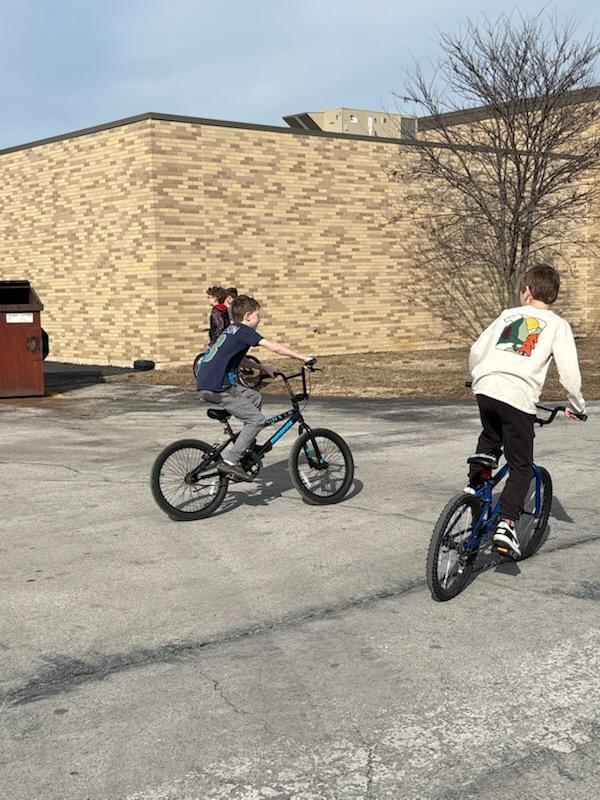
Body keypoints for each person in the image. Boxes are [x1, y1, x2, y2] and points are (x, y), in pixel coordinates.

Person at [467, 263, 585, 558]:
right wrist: (576, 405)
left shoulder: (508, 315)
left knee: (490, 438)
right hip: (517, 397)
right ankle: (507, 523)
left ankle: (474, 487)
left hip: (485, 388)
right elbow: (569, 373)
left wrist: (477, 376)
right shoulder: (557, 325)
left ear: (527, 292)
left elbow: (477, 350)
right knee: (521, 465)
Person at [197, 294, 314, 481]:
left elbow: (237, 358)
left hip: (208, 383)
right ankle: (230, 462)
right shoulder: (244, 331)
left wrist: (262, 368)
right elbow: (274, 347)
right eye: (258, 316)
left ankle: (247, 446)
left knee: (255, 397)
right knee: (257, 420)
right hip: (218, 386)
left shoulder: (232, 330)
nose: (260, 320)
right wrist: (303, 358)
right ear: (247, 316)